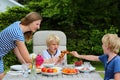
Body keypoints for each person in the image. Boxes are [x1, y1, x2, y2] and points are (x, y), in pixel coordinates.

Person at [0, 12, 42, 80]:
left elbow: (15, 47)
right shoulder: (18, 34)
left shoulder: (17, 24)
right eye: (37, 24)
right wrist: (44, 63)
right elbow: (28, 59)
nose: (38, 27)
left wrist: (24, 63)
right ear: (30, 21)